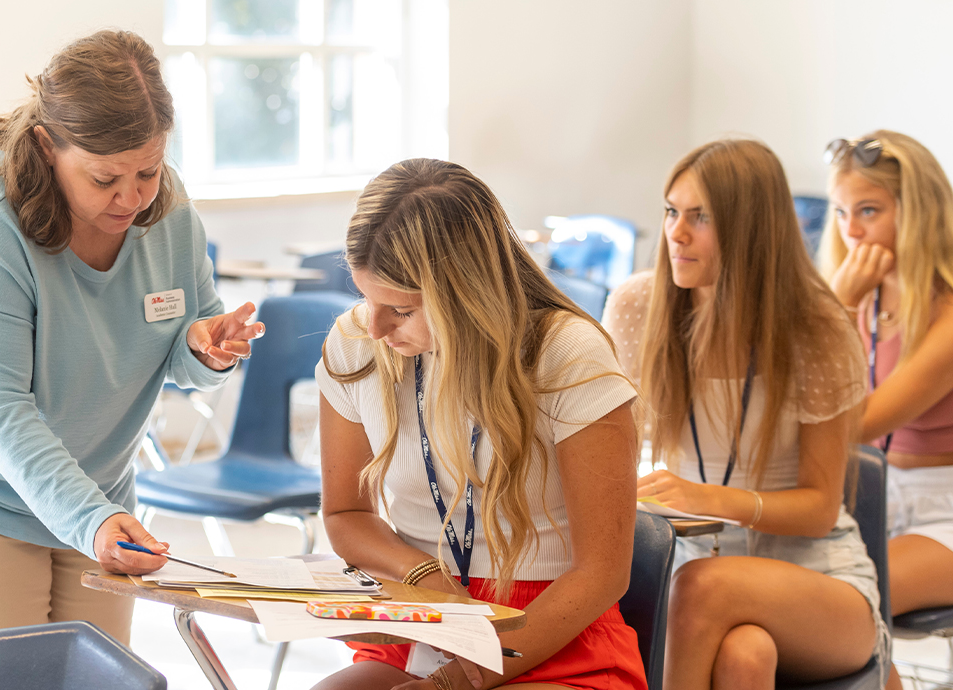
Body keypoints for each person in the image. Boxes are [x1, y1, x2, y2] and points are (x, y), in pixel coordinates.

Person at [0, 30, 262, 688]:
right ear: (47, 145)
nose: (134, 198)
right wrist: (90, 518)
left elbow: (180, 339)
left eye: (148, 171)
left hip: (88, 483)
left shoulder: (168, 212)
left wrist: (205, 348)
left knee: (97, 680)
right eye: (105, 177)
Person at [313, 158, 647, 690]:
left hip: (548, 629)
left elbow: (602, 574)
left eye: (400, 308)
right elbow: (346, 512)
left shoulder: (568, 356)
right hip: (425, 610)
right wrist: (421, 573)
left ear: (463, 295)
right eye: (365, 298)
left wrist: (452, 683)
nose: (374, 326)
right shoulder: (357, 343)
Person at [603, 139, 888, 688]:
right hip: (695, 565)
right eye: (671, 211)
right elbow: (614, 449)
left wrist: (706, 497)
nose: (676, 233)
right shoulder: (639, 305)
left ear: (750, 228)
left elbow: (819, 510)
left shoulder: (816, 326)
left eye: (701, 217)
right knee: (745, 654)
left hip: (817, 575)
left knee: (703, 588)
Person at [821, 130, 953, 689]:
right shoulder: (867, 298)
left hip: (941, 509)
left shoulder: (945, 313)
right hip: (872, 499)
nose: (851, 231)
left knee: (844, 598)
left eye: (869, 211)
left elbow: (851, 425)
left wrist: (834, 303)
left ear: (918, 212)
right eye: (841, 212)